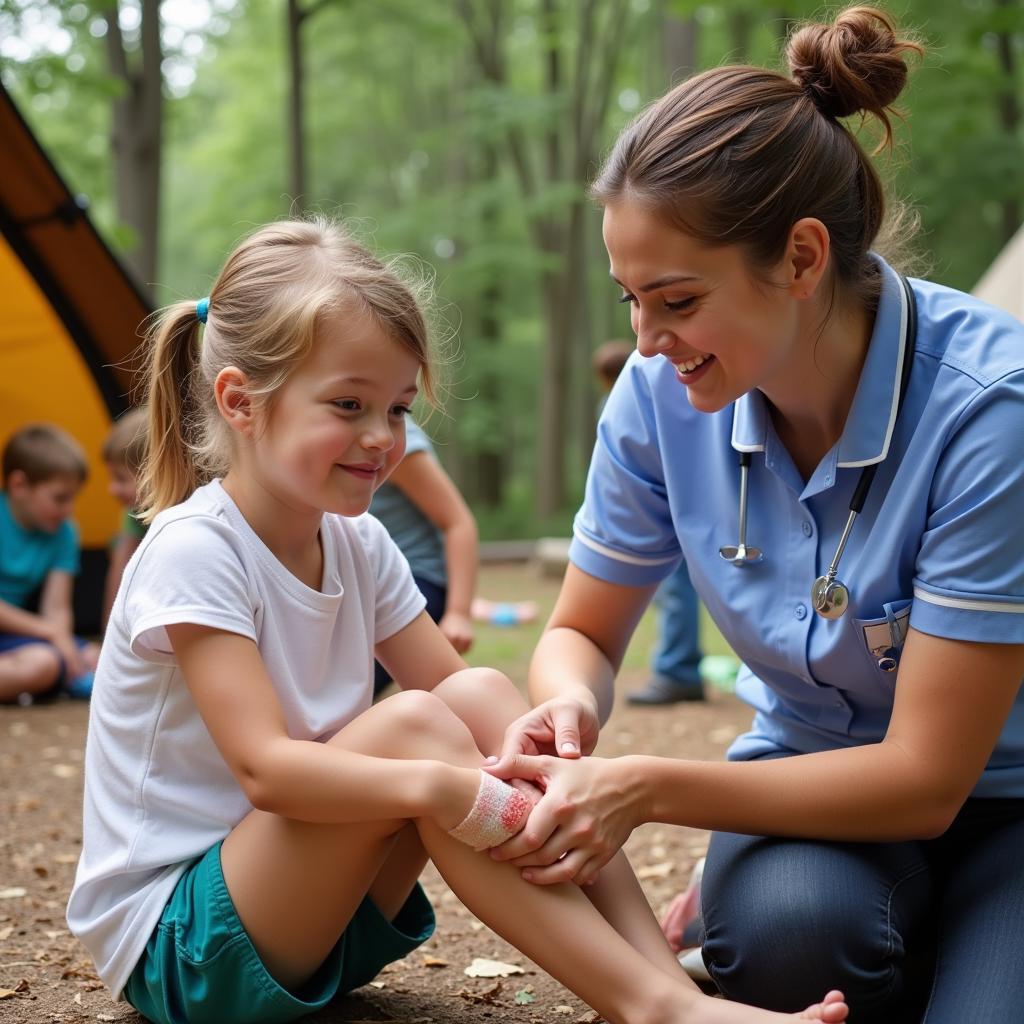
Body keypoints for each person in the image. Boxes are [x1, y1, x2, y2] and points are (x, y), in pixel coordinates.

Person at [65, 219, 847, 1024]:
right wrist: (444, 787)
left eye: (398, 408)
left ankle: (666, 990)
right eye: (348, 404)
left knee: (476, 696)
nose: (382, 439)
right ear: (240, 401)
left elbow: (465, 701)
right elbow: (267, 769)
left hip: (315, 919)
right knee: (414, 728)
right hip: (183, 946)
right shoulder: (195, 548)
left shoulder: (358, 543)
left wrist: (525, 748)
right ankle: (658, 1010)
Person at [484, 7, 1024, 1024]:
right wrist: (569, 708)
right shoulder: (654, 402)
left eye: (677, 301)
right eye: (628, 300)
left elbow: (924, 781)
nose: (646, 341)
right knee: (783, 945)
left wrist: (641, 785)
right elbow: (580, 633)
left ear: (803, 257)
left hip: (1003, 803)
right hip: (810, 797)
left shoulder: (989, 411)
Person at [593, 341, 705, 705]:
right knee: (676, 592)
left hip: (670, 511)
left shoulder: (632, 399)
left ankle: (678, 671)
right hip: (672, 506)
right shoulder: (639, 396)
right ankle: (678, 668)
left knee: (675, 593)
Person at [370, 415, 478, 694]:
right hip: (368, 581)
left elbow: (458, 522)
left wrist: (459, 613)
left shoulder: (391, 443)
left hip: (419, 581)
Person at [0, 423, 99, 703]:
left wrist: (64, 643)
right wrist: (52, 633)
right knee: (42, 664)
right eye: (59, 498)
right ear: (19, 485)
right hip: (28, 634)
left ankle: (53, 678)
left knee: (98, 658)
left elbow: (57, 607)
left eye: (73, 498)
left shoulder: (65, 531)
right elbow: (50, 626)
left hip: (15, 636)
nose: (69, 510)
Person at [101, 407, 149, 628]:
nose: (112, 489)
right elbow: (120, 573)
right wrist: (109, 634)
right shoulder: (134, 512)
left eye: (121, 478)